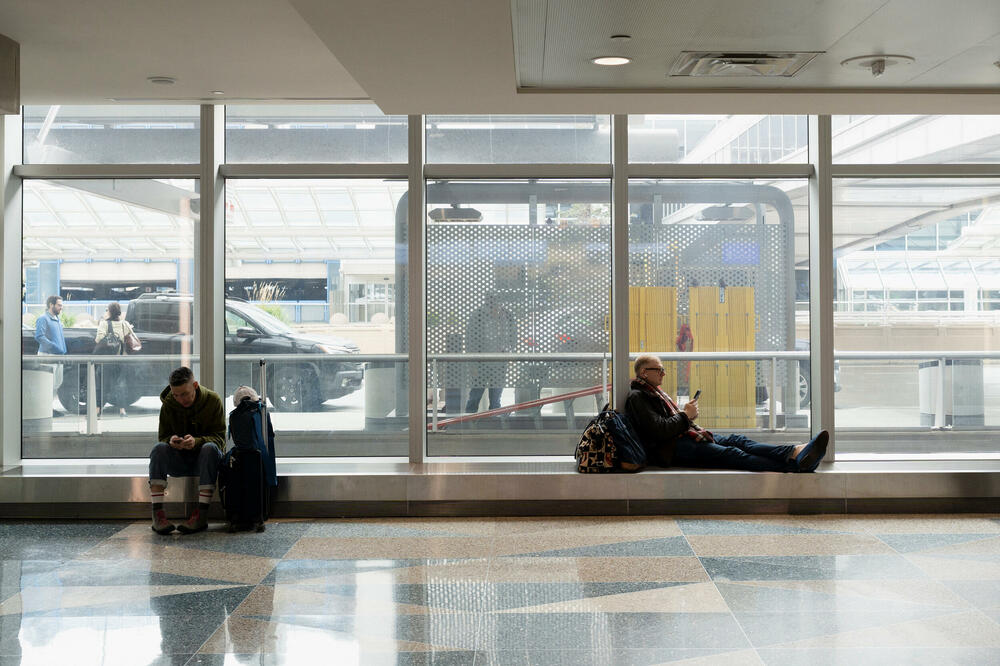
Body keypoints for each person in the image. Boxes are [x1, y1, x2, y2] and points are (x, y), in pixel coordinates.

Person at [625, 354, 827, 472]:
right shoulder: (638, 397)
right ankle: (795, 464)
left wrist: (685, 415)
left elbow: (666, 423)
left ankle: (793, 451)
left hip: (683, 438)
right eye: (658, 369)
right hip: (673, 449)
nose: (663, 373)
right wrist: (685, 416)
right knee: (733, 454)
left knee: (738, 440)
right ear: (644, 373)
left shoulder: (653, 393)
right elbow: (658, 431)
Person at [148, 366, 226, 535]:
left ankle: (201, 514)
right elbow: (162, 437)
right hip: (179, 459)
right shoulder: (168, 404)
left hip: (206, 461)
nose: (180, 399)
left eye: (184, 394)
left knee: (210, 449)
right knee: (158, 449)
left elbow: (220, 439)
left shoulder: (213, 401)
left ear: (195, 385)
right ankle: (158, 515)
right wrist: (171, 441)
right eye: (176, 395)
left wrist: (197, 442)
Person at [464, 291, 517, 413]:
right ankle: (468, 422)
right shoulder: (477, 316)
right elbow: (471, 340)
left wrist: (509, 352)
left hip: (499, 362)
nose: (496, 308)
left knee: (496, 397)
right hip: (481, 362)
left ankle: (494, 422)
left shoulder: (506, 316)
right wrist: (473, 364)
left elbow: (512, 336)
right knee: (475, 395)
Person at [93, 302, 135, 417]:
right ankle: (122, 410)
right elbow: (129, 336)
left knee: (101, 385)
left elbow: (98, 339)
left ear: (109, 311)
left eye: (107, 310)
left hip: (106, 361)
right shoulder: (124, 324)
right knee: (120, 384)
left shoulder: (104, 324)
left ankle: (98, 410)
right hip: (120, 360)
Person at [34, 295, 67, 398]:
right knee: (47, 384)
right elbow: (39, 337)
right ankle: (47, 410)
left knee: (56, 384)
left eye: (61, 305)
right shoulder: (43, 319)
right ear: (51, 305)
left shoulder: (57, 320)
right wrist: (54, 347)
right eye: (59, 305)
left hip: (58, 357)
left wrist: (63, 351)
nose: (61, 307)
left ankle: (51, 409)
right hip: (48, 355)